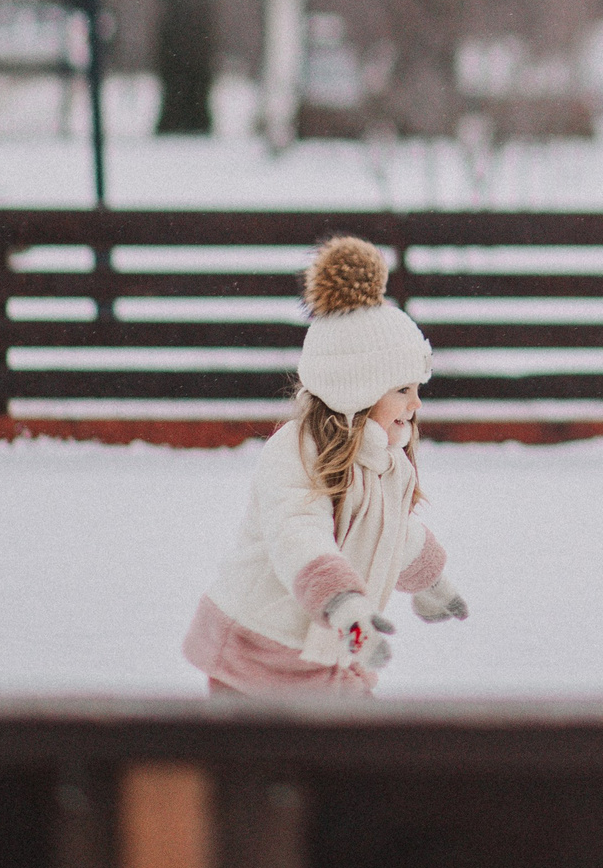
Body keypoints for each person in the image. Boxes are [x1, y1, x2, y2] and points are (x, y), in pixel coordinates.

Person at [183, 235, 470, 695]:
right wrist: (346, 608)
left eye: (417, 387)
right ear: (356, 390)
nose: (416, 402)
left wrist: (430, 580)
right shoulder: (297, 453)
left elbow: (392, 532)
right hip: (258, 653)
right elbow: (299, 534)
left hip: (328, 648)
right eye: (401, 389)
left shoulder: (386, 462)